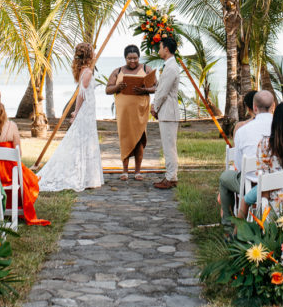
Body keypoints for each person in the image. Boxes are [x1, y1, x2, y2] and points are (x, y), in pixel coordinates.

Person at [37, 43, 104, 192]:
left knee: (87, 140)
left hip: (88, 111)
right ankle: (85, 177)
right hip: (86, 112)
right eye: (92, 52)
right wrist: (76, 112)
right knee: (85, 140)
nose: (94, 53)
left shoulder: (83, 71)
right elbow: (81, 95)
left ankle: (88, 176)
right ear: (89, 55)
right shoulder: (87, 72)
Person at [0, 87, 50, 226]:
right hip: (10, 175)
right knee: (29, 179)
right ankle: (15, 206)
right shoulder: (12, 126)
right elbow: (19, 154)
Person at [218, 90, 276, 224]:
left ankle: (228, 225)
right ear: (273, 106)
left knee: (224, 178)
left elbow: (239, 165)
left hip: (250, 183)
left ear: (254, 108)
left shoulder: (243, 131)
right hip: (278, 181)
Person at [104, 45, 157, 180]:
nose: (132, 61)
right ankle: (125, 171)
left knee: (139, 139)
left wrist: (145, 90)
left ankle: (138, 171)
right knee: (125, 138)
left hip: (140, 111)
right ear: (125, 58)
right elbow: (108, 89)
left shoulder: (146, 69)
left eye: (135, 58)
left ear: (139, 57)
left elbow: (156, 87)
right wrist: (118, 87)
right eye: (129, 58)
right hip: (124, 113)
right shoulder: (118, 71)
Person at [152, 37, 181, 190]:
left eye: (160, 47)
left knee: (169, 146)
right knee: (167, 145)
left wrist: (154, 107)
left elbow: (163, 92)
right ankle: (169, 175)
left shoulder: (171, 67)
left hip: (169, 111)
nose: (159, 49)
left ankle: (171, 177)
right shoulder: (169, 66)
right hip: (167, 111)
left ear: (166, 49)